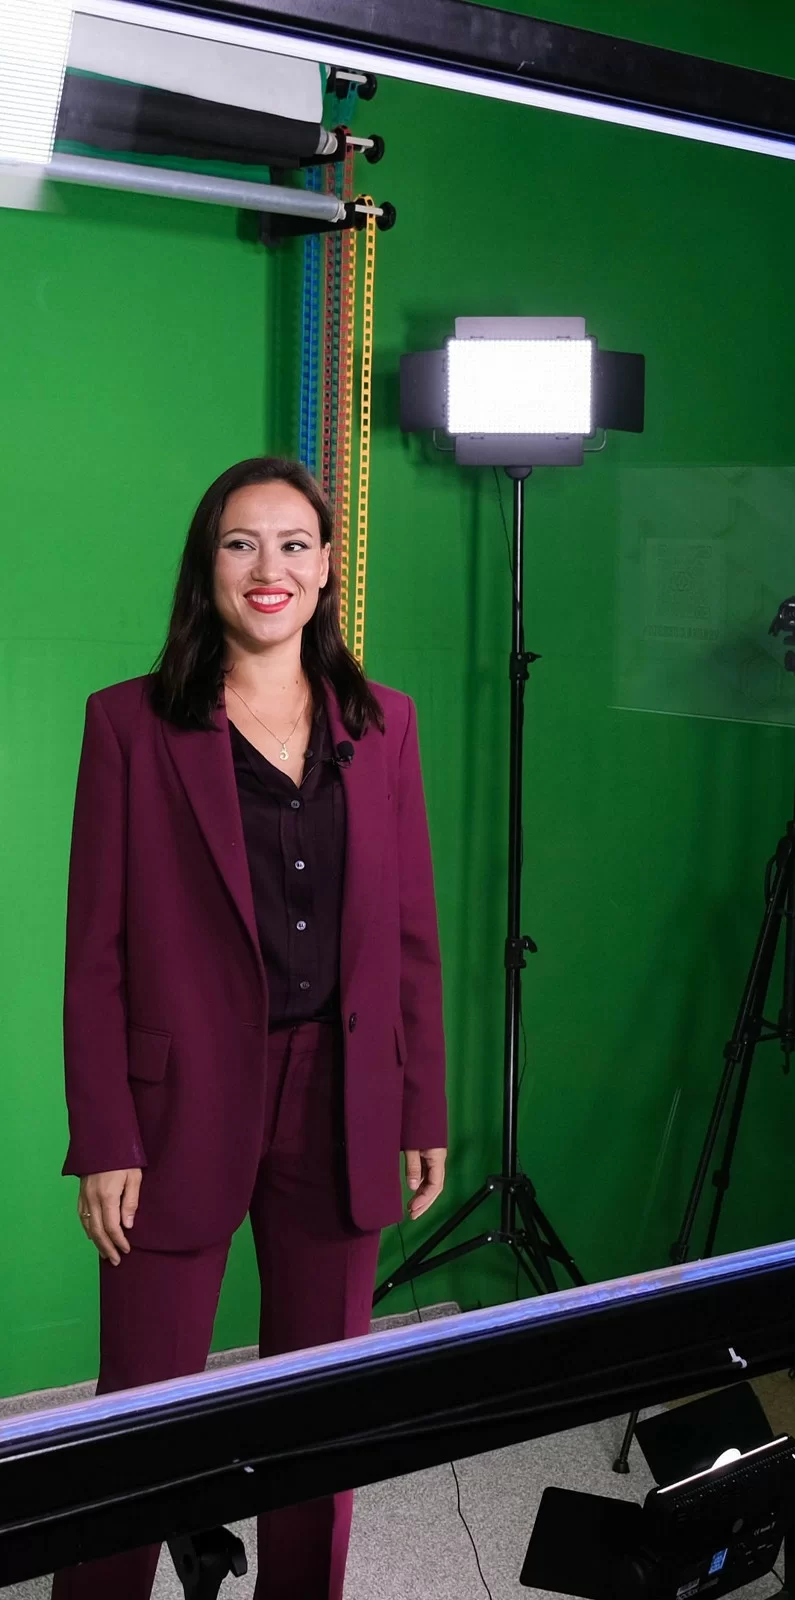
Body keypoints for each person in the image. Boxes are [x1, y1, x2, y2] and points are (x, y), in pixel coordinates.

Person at [55, 457, 449, 1600]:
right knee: (139, 1416)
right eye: (240, 543)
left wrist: (419, 1100)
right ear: (208, 566)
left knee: (320, 1415)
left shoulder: (384, 724)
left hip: (342, 1091)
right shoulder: (128, 725)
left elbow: (410, 934)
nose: (267, 567)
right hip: (177, 1105)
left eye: (292, 543)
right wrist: (105, 1132)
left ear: (325, 569)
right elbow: (94, 953)